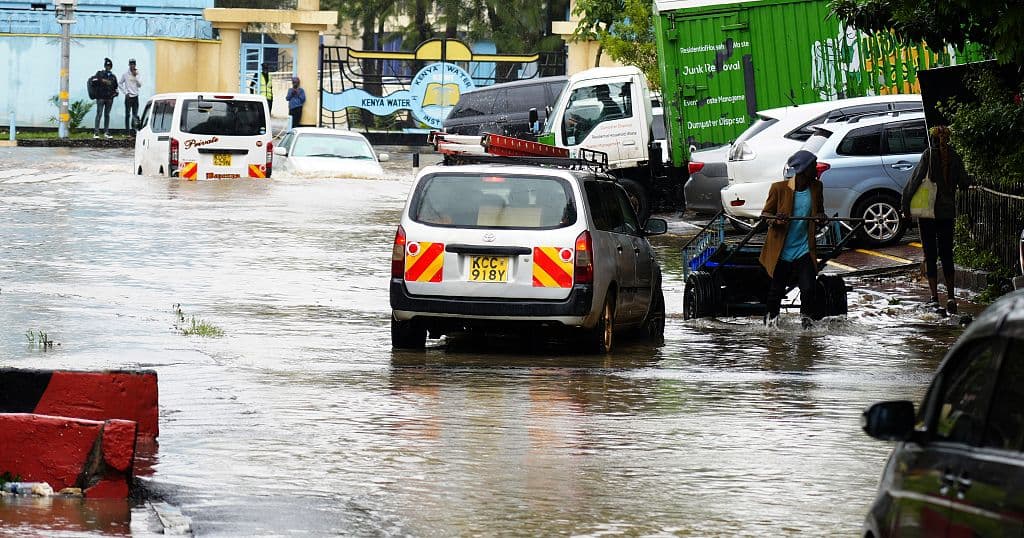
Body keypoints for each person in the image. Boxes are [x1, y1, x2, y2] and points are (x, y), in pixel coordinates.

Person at [902, 125, 971, 314]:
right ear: (948, 139)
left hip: (928, 213)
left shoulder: (928, 155)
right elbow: (965, 182)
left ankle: (934, 298)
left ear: (932, 139)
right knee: (947, 254)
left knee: (930, 255)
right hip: (947, 213)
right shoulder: (955, 156)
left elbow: (914, 181)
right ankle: (951, 296)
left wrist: (905, 205)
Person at [759, 149, 826, 329]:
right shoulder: (779, 188)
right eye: (813, 166)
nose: (816, 169)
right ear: (804, 170)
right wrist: (775, 219)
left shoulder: (816, 187)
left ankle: (807, 327)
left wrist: (820, 217)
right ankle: (770, 329)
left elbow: (820, 210)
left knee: (808, 289)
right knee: (776, 292)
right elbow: (765, 214)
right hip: (782, 249)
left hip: (804, 248)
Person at [92, 58, 118, 139]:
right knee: (99, 114)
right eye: (107, 66)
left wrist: (115, 93)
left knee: (107, 115)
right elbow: (94, 80)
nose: (108, 67)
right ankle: (96, 133)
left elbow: (116, 87)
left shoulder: (113, 76)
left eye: (109, 66)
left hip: (109, 99)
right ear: (104, 66)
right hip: (100, 98)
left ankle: (106, 132)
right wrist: (103, 80)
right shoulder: (100, 74)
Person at [119, 58, 141, 133]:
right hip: (128, 97)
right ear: (129, 65)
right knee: (127, 114)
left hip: (136, 96)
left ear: (135, 65)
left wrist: (135, 77)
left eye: (133, 64)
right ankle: (127, 130)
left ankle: (134, 129)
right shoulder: (125, 74)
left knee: (135, 114)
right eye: (131, 64)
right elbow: (120, 83)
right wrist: (125, 92)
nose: (132, 66)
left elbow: (140, 85)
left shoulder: (137, 73)